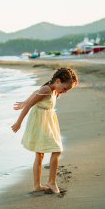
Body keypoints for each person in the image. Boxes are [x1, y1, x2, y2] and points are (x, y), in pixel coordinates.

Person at [11, 67, 78, 195]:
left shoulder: (53, 90)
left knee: (41, 153)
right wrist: (18, 122)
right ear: (58, 81)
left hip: (48, 122)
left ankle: (37, 185)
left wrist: (24, 102)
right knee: (55, 150)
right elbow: (31, 103)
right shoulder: (47, 89)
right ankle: (50, 182)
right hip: (40, 123)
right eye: (65, 88)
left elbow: (34, 94)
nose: (65, 92)